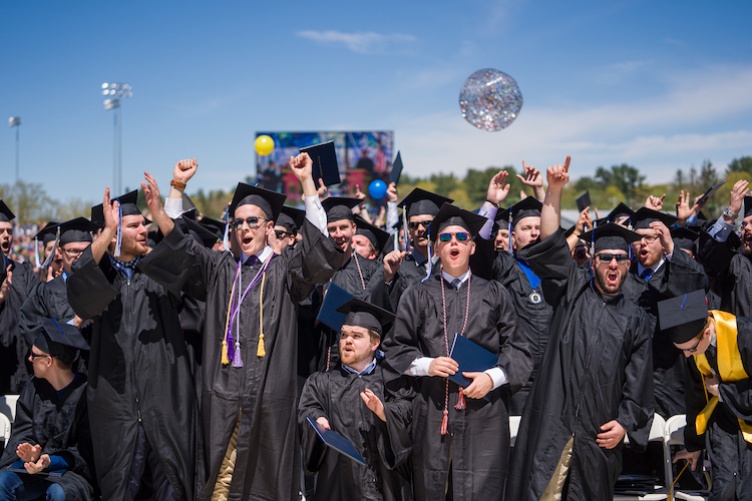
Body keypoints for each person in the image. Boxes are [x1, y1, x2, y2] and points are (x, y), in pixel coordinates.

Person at [139, 152, 346, 500]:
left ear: (269, 227)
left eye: (253, 221)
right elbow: (181, 246)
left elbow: (316, 248)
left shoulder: (285, 271)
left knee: (267, 483)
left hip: (270, 399)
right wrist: (173, 193)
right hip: (221, 398)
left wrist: (307, 183)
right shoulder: (219, 268)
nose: (245, 229)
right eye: (238, 223)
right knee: (220, 484)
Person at [506, 158, 656, 500]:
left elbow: (640, 382)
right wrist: (555, 190)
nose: (613, 263)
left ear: (629, 264)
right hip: (552, 423)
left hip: (597, 434)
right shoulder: (572, 291)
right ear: (593, 261)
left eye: (620, 258)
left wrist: (624, 424)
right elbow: (550, 239)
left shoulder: (635, 318)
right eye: (606, 258)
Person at [381, 202, 532, 499]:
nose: (454, 244)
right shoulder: (417, 294)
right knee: (432, 488)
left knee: (482, 490)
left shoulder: (494, 293)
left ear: (472, 247)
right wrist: (427, 365)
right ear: (436, 248)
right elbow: (395, 348)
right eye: (446, 239)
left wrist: (493, 378)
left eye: (461, 238)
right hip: (433, 411)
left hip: (484, 414)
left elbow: (520, 348)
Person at [66, 182, 197, 500]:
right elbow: (79, 289)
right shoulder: (103, 279)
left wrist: (165, 203)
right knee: (121, 488)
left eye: (145, 224)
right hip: (117, 409)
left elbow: (187, 259)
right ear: (116, 233)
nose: (145, 229)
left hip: (165, 405)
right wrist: (107, 232)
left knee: (172, 487)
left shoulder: (158, 275)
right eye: (135, 224)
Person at [299, 298, 412, 501]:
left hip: (384, 487)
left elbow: (408, 411)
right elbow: (308, 409)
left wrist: (384, 412)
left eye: (356, 336)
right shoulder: (321, 383)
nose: (347, 341)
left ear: (375, 343)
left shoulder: (392, 382)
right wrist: (318, 420)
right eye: (343, 335)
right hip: (338, 487)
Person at [662, 290, 752, 500]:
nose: (687, 355)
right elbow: (696, 397)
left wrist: (722, 391)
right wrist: (694, 445)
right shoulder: (694, 350)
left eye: (691, 349)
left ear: (707, 332)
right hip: (724, 425)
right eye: (682, 350)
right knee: (724, 490)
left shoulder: (746, 336)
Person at [477, 170, 553, 415]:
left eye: (538, 227)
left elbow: (557, 240)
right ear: (513, 236)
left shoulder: (556, 271)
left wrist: (542, 193)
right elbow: (480, 250)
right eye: (526, 227)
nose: (533, 232)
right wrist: (491, 204)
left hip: (553, 377)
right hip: (517, 376)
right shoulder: (503, 265)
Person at [0, 318, 95, 500]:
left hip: (72, 474)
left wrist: (48, 461)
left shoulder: (86, 395)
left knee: (59, 493)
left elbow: (86, 451)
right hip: (31, 470)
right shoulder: (34, 388)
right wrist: (29, 453)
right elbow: (23, 430)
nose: (29, 359)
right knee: (2, 482)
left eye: (34, 355)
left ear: (49, 361)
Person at [19, 218, 98, 375]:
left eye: (87, 251)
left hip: (99, 383)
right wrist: (74, 323)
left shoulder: (104, 288)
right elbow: (34, 336)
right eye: (74, 251)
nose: (81, 257)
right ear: (60, 253)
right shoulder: (44, 292)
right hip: (60, 387)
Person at [0, 200, 41, 395]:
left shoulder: (24, 271)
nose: (6, 235)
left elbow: (38, 307)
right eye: (0, 231)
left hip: (24, 368)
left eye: (9, 231)